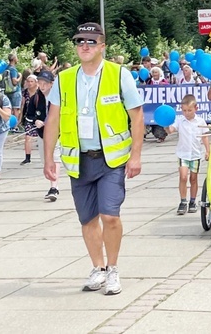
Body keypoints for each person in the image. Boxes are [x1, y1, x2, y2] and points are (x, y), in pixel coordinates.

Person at [43, 22, 144, 296]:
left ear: (102, 46)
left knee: (110, 216)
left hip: (111, 159)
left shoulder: (119, 74)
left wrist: (136, 156)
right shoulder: (64, 79)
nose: (84, 46)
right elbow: (52, 120)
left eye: (90, 41)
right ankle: (97, 268)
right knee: (87, 219)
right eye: (79, 41)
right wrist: (48, 158)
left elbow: (137, 117)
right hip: (78, 160)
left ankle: (113, 269)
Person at [165, 94, 210, 215]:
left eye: (189, 110)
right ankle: (183, 201)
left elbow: (205, 137)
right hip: (183, 154)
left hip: (195, 154)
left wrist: (208, 151)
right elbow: (170, 130)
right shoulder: (180, 120)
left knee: (193, 178)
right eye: (184, 110)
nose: (187, 113)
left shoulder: (200, 121)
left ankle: (193, 201)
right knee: (183, 176)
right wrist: (165, 124)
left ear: (196, 108)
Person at [36, 70, 61, 201]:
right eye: (40, 83)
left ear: (52, 84)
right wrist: (36, 120)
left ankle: (54, 187)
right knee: (46, 159)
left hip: (57, 133)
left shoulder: (58, 97)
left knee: (55, 158)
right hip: (42, 134)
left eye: (45, 83)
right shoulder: (37, 97)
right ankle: (53, 182)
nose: (42, 86)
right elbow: (29, 115)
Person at [20, 74, 46, 165]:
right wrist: (20, 118)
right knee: (28, 137)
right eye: (28, 81)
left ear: (36, 83)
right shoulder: (25, 92)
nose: (30, 83)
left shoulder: (41, 93)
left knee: (44, 138)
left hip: (42, 119)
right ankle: (27, 157)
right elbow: (23, 105)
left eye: (32, 81)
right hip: (29, 117)